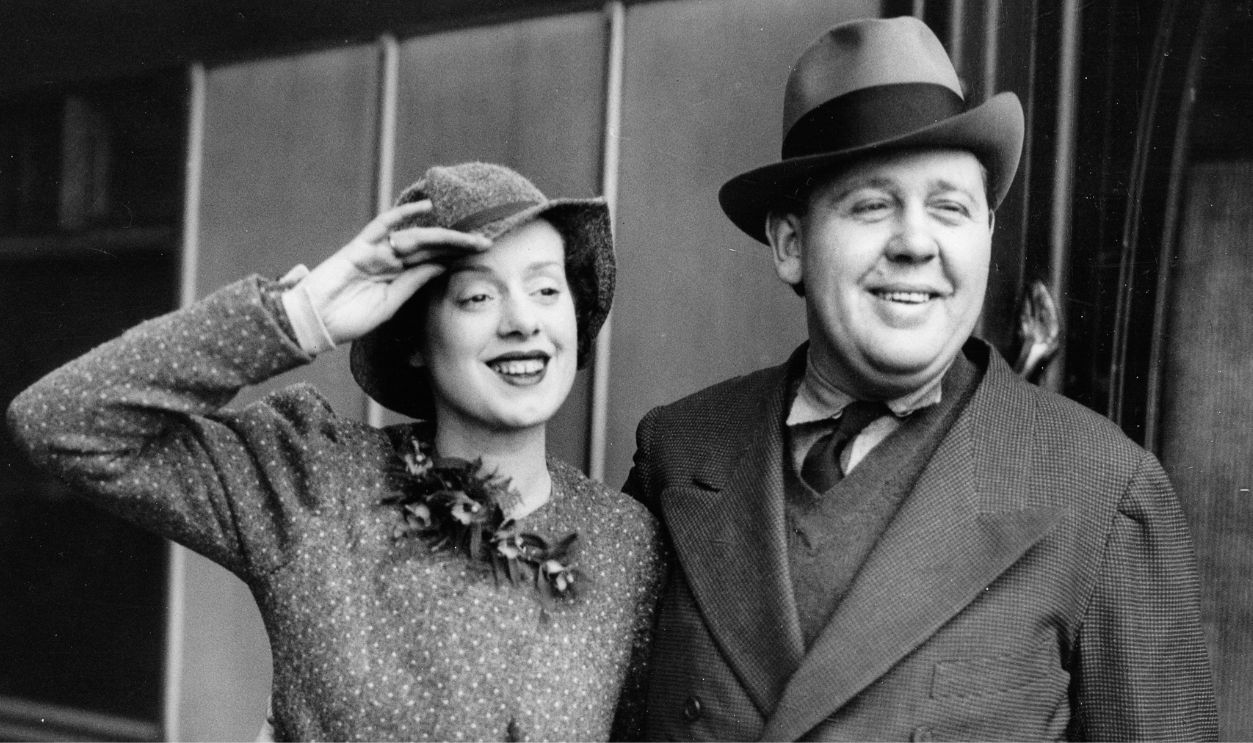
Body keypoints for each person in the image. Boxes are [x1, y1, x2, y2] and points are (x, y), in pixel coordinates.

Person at [623, 16, 1217, 741]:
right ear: (789, 243)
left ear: (987, 236)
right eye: (871, 205)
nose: (913, 242)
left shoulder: (1102, 490)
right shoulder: (679, 456)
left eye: (949, 208)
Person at [8, 162, 665, 741]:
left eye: (546, 288)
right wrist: (301, 313)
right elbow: (58, 423)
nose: (522, 318)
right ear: (412, 337)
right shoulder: (312, 479)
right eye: (476, 295)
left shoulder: (625, 540)